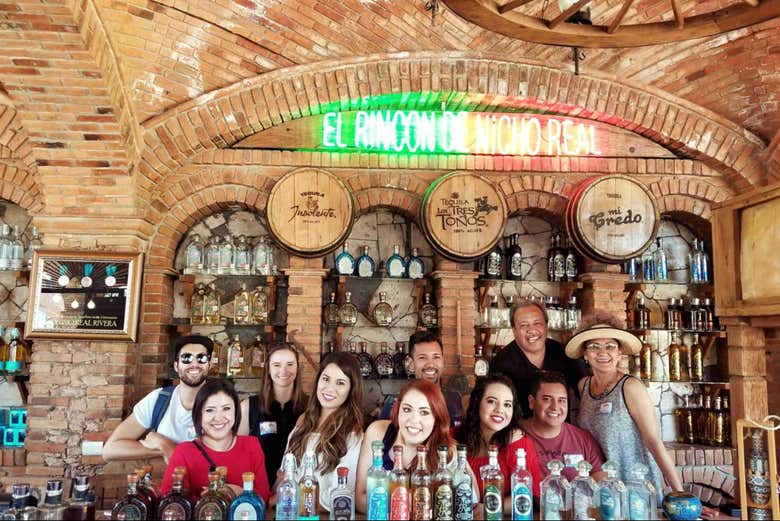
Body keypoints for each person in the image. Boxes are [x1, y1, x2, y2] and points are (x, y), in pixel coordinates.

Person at [567, 312, 683, 502]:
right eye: (594, 346)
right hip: (601, 492)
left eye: (610, 346)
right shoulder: (583, 387)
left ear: (619, 353)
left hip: (635, 489)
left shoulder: (630, 387)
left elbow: (655, 443)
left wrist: (681, 494)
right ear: (585, 354)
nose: (602, 352)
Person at [356, 379, 478, 514]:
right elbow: (360, 499)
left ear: (436, 418)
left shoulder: (447, 451)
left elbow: (473, 503)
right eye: (407, 409)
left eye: (424, 412)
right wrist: (406, 503)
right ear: (398, 410)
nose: (414, 420)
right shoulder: (377, 433)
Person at [103, 335, 213, 463]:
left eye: (201, 358)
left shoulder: (223, 403)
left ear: (209, 365)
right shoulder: (159, 399)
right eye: (186, 358)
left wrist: (167, 446)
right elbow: (111, 449)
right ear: (176, 366)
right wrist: (163, 447)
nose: (194, 364)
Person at [160, 378, 271, 502]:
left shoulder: (251, 445)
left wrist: (239, 492)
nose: (218, 418)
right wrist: (208, 502)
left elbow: (264, 495)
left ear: (236, 411)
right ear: (199, 414)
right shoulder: (184, 452)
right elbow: (169, 500)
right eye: (209, 410)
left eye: (226, 408)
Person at [283, 351, 365, 513]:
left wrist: (300, 505)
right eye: (326, 379)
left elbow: (342, 493)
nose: (329, 388)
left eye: (340, 383)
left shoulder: (353, 433)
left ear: (351, 389)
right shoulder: (303, 420)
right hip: (289, 511)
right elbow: (285, 473)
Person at [455, 374, 542, 511]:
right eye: (491, 401)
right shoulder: (454, 437)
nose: (500, 410)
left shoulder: (519, 443)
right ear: (477, 403)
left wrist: (488, 509)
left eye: (507, 404)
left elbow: (529, 496)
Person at [490, 299, 588, 418]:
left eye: (537, 323)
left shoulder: (564, 353)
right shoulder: (501, 362)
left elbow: (586, 390)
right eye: (524, 325)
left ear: (546, 326)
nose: (531, 330)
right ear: (514, 330)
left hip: (558, 426)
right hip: (519, 427)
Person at [238, 342, 308, 487]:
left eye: (290, 364)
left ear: (297, 368)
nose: (284, 371)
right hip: (258, 489)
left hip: (300, 489)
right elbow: (239, 454)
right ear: (268, 369)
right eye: (276, 365)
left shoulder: (311, 407)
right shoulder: (248, 406)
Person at [523, 371, 605, 482]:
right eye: (547, 399)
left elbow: (600, 479)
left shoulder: (583, 439)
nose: (555, 407)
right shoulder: (515, 436)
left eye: (562, 400)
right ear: (532, 402)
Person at [379, 330, 464, 428]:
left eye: (436, 357)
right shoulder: (394, 403)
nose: (431, 364)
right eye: (422, 358)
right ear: (411, 363)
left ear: (443, 361)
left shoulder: (454, 398)